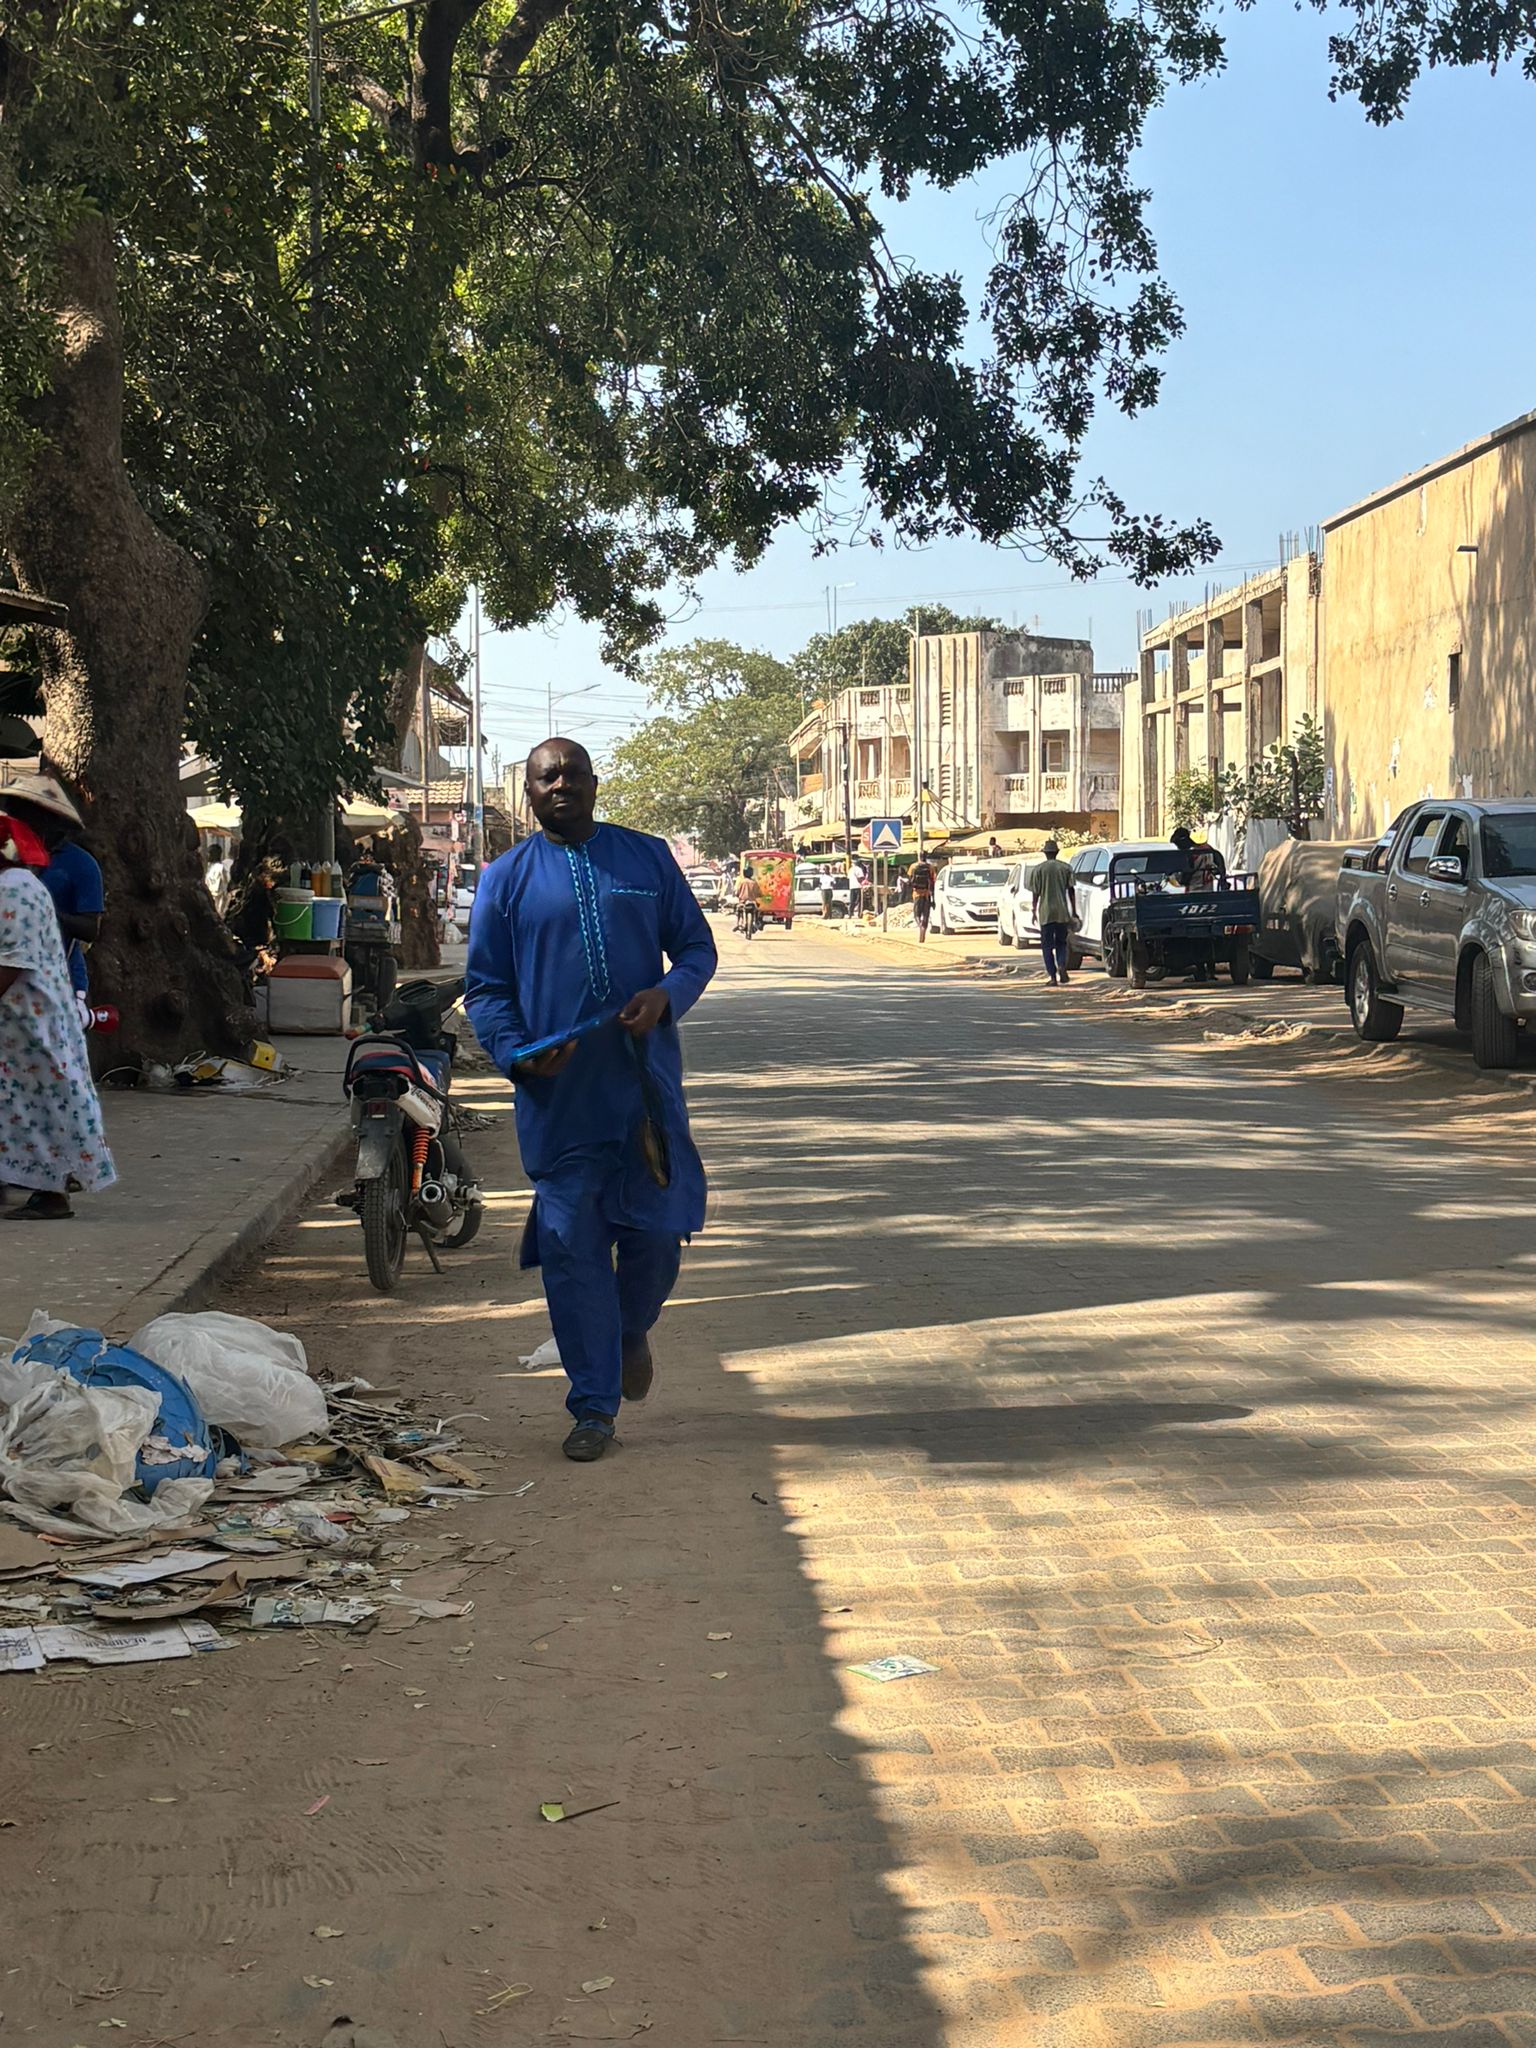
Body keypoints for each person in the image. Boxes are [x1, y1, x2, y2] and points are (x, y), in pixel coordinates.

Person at [466, 739, 718, 1463]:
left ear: (595, 783)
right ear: (528, 793)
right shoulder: (505, 879)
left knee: (657, 1241)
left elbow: (696, 949)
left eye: (573, 773)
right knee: (572, 1253)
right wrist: (516, 1053)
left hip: (643, 1092)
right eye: (546, 777)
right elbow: (485, 990)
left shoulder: (645, 859)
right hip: (558, 1100)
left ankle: (630, 1330)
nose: (561, 785)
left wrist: (666, 996)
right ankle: (593, 1407)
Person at [0, 808, 116, 1220]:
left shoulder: (16, 889)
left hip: (32, 1017)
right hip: (25, 1017)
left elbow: (11, 960)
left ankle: (52, 1192)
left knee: (42, 1103)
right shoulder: (20, 885)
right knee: (24, 1104)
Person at [1, 774, 103, 1000]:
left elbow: (90, 929)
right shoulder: (6, 855)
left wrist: (44, 914)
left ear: (48, 820)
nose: (14, 820)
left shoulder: (82, 864)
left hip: (56, 984)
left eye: (22, 814)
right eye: (12, 812)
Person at [1029, 838, 1078, 987]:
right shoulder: (1066, 868)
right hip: (1062, 912)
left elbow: (1035, 893)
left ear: (1045, 853)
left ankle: (1052, 976)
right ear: (1057, 852)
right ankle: (1062, 965)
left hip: (1046, 913)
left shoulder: (1038, 870)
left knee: (1047, 946)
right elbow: (1071, 891)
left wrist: (1034, 911)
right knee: (1061, 943)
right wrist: (1074, 911)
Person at [908, 853, 935, 941]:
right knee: (926, 914)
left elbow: (910, 880)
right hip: (927, 894)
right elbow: (933, 881)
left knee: (917, 914)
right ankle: (923, 928)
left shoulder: (913, 866)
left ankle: (920, 926)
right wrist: (933, 897)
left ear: (918, 857)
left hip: (916, 893)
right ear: (926, 857)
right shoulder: (930, 867)